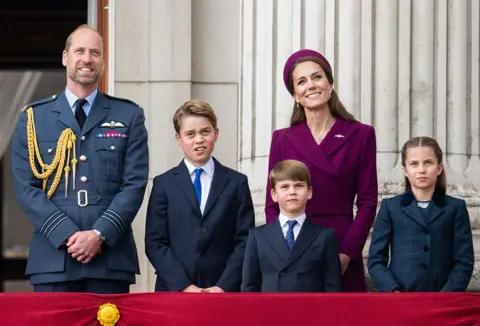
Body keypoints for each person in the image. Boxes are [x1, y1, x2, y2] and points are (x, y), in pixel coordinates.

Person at [11, 24, 149, 293]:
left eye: (95, 52)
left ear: (103, 62)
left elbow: (134, 185)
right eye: (80, 51)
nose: (87, 59)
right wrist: (68, 234)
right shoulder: (33, 119)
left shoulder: (129, 116)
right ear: (65, 57)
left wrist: (99, 235)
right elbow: (26, 188)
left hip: (109, 259)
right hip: (53, 260)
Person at [265, 49, 378, 292]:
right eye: (301, 81)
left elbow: (368, 202)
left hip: (340, 245)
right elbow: (272, 205)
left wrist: (348, 252)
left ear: (330, 84)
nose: (311, 86)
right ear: (295, 94)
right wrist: (282, 251)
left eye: (317, 77)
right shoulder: (282, 139)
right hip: (295, 247)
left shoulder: (360, 135)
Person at [145, 99, 255, 293]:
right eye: (190, 134)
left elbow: (245, 240)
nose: (199, 140)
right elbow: (155, 242)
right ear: (179, 139)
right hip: (174, 290)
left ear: (216, 133)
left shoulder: (237, 183)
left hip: (223, 291)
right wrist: (184, 286)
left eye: (205, 132)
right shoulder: (164, 184)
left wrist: (223, 286)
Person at [368, 136, 474, 292]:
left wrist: (446, 295)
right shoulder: (390, 207)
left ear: (439, 168)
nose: (421, 170)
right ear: (405, 170)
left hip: (442, 300)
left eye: (428, 162)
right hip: (400, 299)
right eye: (414, 164)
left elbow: (464, 260)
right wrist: (392, 290)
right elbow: (376, 260)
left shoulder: (455, 208)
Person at [242, 159, 341, 292]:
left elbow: (332, 287)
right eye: (284, 187)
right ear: (274, 194)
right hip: (269, 310)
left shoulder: (324, 236)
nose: (292, 192)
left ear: (309, 192)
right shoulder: (258, 236)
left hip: (311, 311)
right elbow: (249, 287)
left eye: (299, 185)